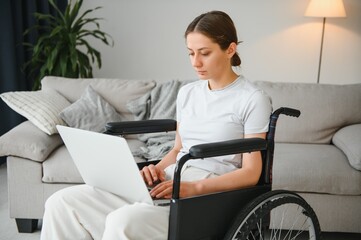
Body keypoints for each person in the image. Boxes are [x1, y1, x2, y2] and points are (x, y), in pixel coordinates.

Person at [40, 10, 272, 240]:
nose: (195, 62)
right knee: (62, 203)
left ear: (230, 49)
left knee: (122, 221)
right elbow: (177, 150)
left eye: (205, 53)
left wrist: (194, 188)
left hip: (209, 195)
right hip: (173, 179)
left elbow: (251, 173)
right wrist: (157, 171)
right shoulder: (188, 93)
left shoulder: (252, 98)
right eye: (190, 53)